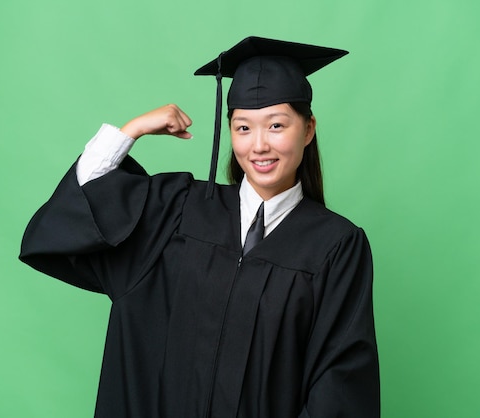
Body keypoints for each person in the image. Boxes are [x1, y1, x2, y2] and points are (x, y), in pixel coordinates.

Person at [19, 36, 380, 417]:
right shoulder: (178, 210)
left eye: (276, 125)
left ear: (307, 130)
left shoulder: (336, 246)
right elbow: (80, 209)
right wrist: (130, 132)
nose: (258, 145)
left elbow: (340, 386)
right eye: (243, 128)